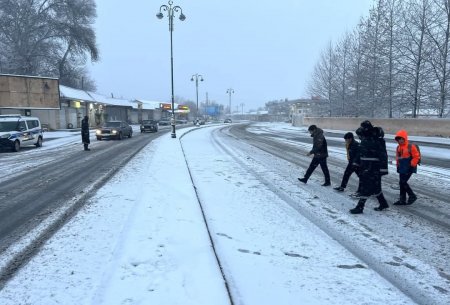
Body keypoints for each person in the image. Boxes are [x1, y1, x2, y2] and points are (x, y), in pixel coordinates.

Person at [349, 121, 389, 214]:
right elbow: (361, 152)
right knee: (376, 187)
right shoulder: (365, 139)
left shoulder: (378, 140)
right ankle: (383, 204)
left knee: (366, 187)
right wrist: (356, 162)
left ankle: (360, 207)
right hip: (365, 166)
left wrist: (383, 169)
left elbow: (383, 155)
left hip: (373, 167)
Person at [393, 129, 419, 205]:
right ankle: (402, 200)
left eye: (401, 139)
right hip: (402, 168)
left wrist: (412, 165)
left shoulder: (411, 146)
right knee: (401, 183)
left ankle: (412, 196)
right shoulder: (398, 147)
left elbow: (416, 157)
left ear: (404, 138)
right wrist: (398, 166)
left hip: (409, 167)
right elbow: (398, 158)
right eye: (398, 139)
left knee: (403, 182)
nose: (400, 140)